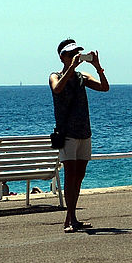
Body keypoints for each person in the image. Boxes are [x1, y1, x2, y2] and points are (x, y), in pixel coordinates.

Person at [50, 38, 110, 233]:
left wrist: (98, 67)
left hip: (84, 131)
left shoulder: (82, 77)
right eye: (71, 54)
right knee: (70, 175)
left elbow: (104, 87)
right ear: (62, 57)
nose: (75, 56)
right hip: (67, 133)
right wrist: (71, 69)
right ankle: (71, 218)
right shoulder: (55, 76)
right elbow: (57, 89)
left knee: (79, 175)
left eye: (77, 53)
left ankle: (71, 218)